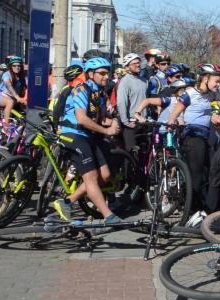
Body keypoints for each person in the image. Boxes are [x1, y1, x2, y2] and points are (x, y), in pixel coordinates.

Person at [48, 57, 121, 226]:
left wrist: (115, 122)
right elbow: (81, 119)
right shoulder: (81, 90)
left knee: (106, 175)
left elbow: (101, 119)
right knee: (92, 177)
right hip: (72, 135)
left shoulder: (100, 93)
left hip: (87, 135)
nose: (106, 76)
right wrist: (106, 130)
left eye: (107, 73)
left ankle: (66, 202)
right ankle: (109, 217)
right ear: (90, 74)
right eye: (102, 73)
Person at [166, 64, 220, 212]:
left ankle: (207, 207)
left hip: (207, 135)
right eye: (216, 81)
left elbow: (213, 113)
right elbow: (175, 112)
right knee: (197, 174)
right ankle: (191, 209)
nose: (218, 85)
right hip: (192, 135)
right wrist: (172, 123)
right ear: (205, 79)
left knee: (212, 171)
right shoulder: (190, 93)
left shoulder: (213, 94)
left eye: (219, 82)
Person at [116, 53, 148, 152]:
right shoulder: (125, 81)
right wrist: (126, 122)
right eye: (134, 63)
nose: (138, 65)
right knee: (131, 154)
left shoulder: (144, 81)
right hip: (131, 124)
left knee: (144, 153)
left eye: (139, 62)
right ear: (127, 67)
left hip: (143, 122)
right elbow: (121, 102)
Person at [0, 56, 26, 122]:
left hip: (12, 97)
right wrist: (17, 97)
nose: (17, 67)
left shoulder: (22, 77)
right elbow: (8, 85)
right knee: (10, 102)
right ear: (10, 66)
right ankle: (6, 127)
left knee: (25, 107)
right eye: (14, 65)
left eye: (19, 66)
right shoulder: (7, 74)